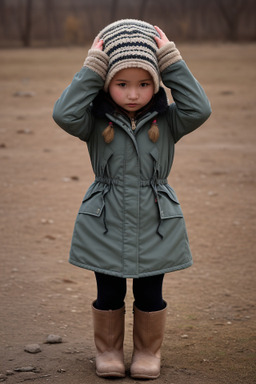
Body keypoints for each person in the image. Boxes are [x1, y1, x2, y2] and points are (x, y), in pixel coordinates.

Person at [53, 19, 211, 380]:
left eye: (143, 84)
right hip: (103, 218)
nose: (134, 93)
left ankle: (147, 352)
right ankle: (107, 351)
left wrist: (170, 61)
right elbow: (63, 113)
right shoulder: (93, 122)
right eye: (122, 84)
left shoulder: (169, 121)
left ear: (155, 84)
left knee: (150, 292)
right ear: (107, 83)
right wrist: (92, 67)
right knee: (108, 290)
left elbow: (200, 109)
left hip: (156, 220)